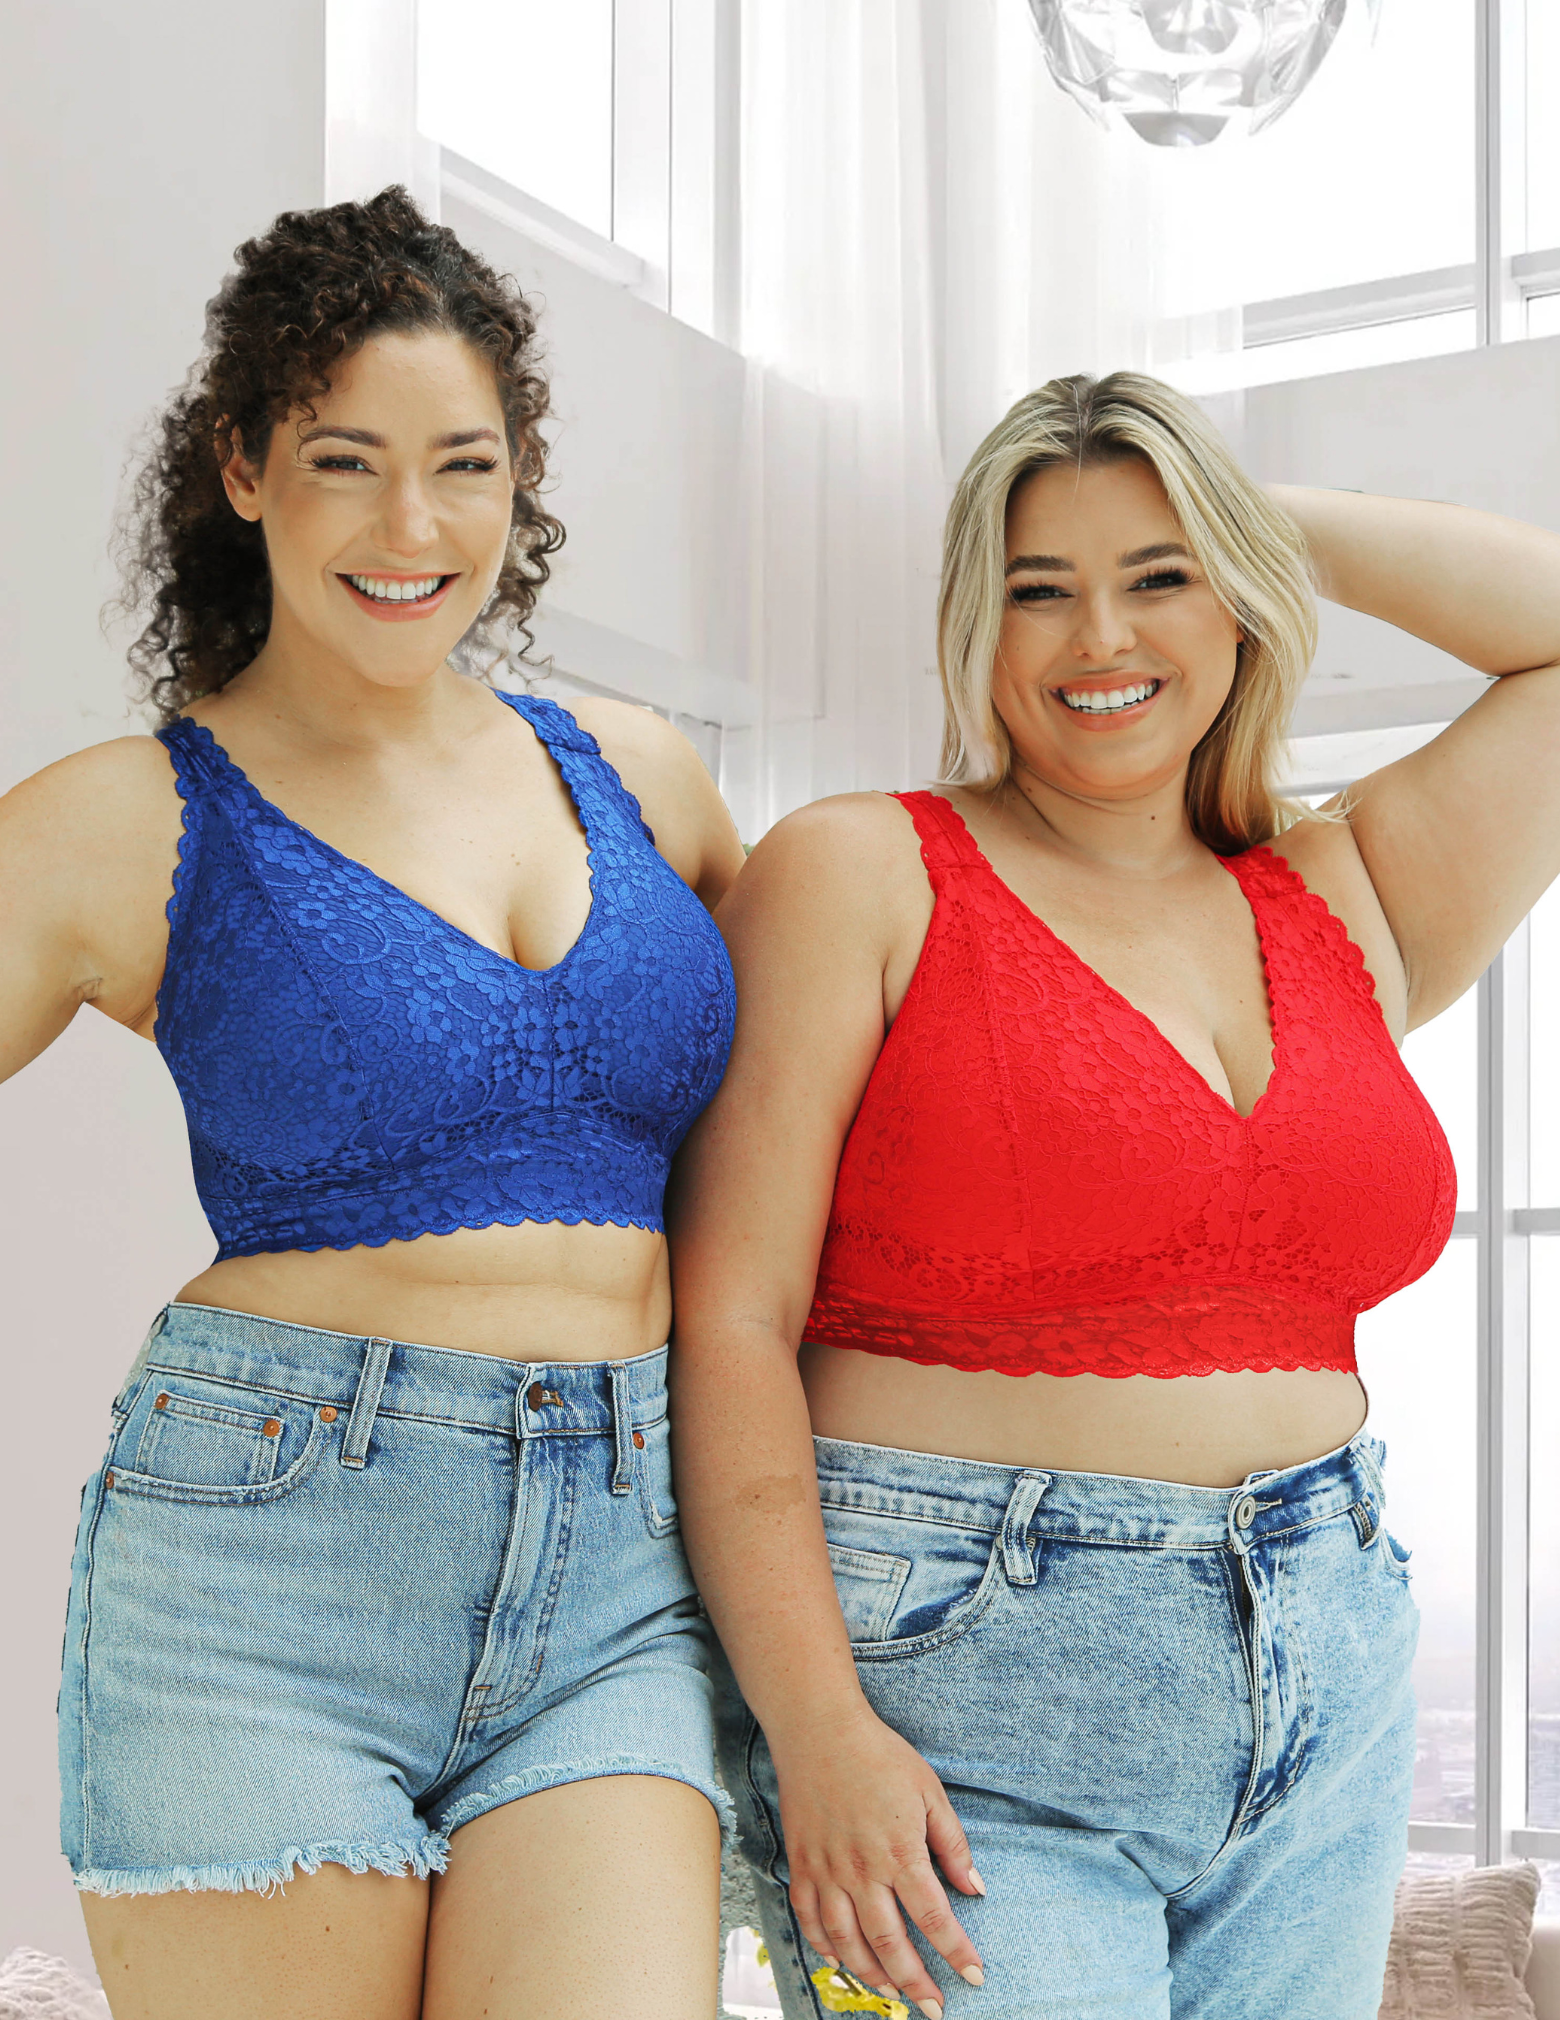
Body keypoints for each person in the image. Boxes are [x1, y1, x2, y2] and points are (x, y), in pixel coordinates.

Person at [667, 371, 1560, 2020]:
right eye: (1039, 590)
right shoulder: (861, 869)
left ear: (1234, 606)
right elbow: (729, 1316)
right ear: (974, 632)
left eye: (1157, 579)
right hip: (954, 1691)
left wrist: (1253, 523)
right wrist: (818, 1728)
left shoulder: (1343, 894)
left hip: (1326, 1658)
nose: (1101, 640)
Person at [0, 187, 745, 2020]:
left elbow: (814, 1119)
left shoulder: (642, 772)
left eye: (462, 466)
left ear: (517, 486)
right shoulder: (128, 817)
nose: (411, 528)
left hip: (627, 1570)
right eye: (347, 460)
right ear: (246, 469)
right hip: (266, 1576)